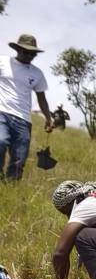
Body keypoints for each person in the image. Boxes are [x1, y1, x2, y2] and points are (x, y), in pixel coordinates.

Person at [1, 33, 52, 183]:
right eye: (26, 51)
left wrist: (48, 118)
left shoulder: (37, 74)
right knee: (0, 141)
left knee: (19, 157)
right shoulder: (3, 62)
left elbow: (41, 98)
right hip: (1, 112)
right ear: (18, 49)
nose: (29, 55)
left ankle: (11, 186)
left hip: (23, 119)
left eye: (33, 53)